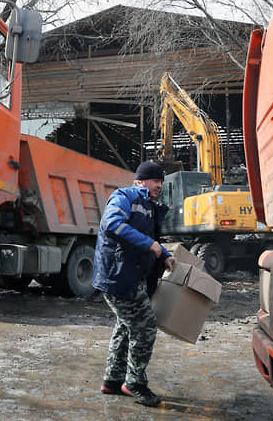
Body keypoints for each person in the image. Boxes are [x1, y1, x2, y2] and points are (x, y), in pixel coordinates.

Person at [92, 161, 177, 407]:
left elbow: (148, 238)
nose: (159, 185)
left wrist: (162, 252)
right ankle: (134, 383)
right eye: (154, 180)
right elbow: (113, 224)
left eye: (161, 181)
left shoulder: (150, 206)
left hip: (129, 275)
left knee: (125, 326)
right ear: (140, 180)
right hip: (118, 276)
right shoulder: (125, 196)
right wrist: (151, 246)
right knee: (145, 326)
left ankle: (112, 379)